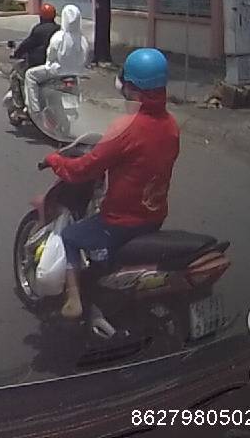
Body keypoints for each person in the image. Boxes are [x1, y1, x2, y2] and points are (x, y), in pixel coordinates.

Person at [45, 48, 179, 320]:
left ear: (131, 88)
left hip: (120, 221)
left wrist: (56, 160)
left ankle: (74, 301)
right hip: (154, 217)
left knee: (70, 236)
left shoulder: (126, 128)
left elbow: (83, 170)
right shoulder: (171, 125)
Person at [24, 4, 89, 118]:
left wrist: (50, 64)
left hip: (56, 71)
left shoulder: (59, 37)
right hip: (74, 73)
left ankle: (34, 109)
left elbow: (51, 55)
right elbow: (85, 57)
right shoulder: (82, 39)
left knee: (30, 75)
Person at [13, 3, 60, 69]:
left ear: (41, 16)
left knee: (24, 70)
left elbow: (27, 44)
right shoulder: (59, 29)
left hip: (38, 62)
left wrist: (17, 53)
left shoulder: (38, 29)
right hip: (55, 62)